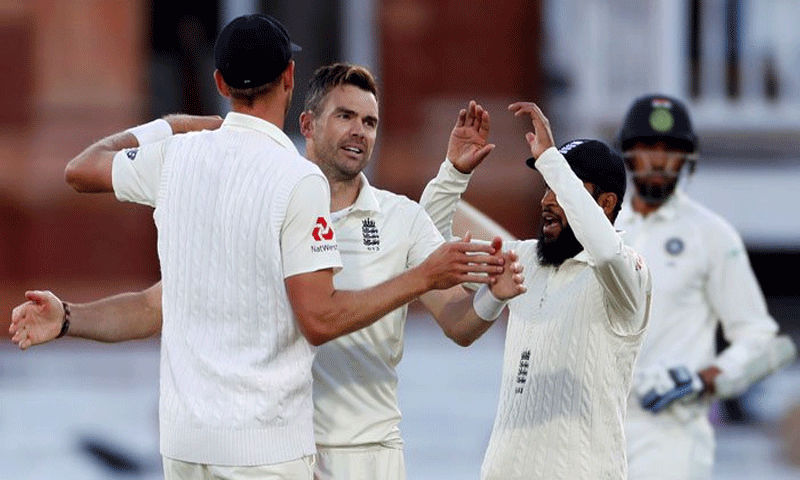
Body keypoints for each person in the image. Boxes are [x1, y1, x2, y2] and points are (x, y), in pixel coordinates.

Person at [10, 15, 515, 480]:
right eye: (345, 116)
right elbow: (319, 319)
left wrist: (174, 125)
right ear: (291, 82)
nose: (359, 132)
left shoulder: (177, 159)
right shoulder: (297, 181)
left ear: (220, 83)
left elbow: (83, 172)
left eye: (369, 121)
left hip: (189, 450)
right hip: (266, 452)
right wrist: (423, 277)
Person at [419, 102, 652, 479]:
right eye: (547, 186)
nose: (546, 200)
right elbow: (425, 239)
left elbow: (606, 253)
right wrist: (454, 172)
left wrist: (552, 160)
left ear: (606, 203)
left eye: (561, 187)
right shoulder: (524, 258)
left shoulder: (628, 275)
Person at [614, 94, 785, 480]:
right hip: (599, 435)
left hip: (674, 441)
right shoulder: (601, 230)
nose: (659, 162)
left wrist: (702, 378)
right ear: (627, 154)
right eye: (647, 149)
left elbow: (758, 335)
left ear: (687, 159)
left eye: (671, 151)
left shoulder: (711, 235)